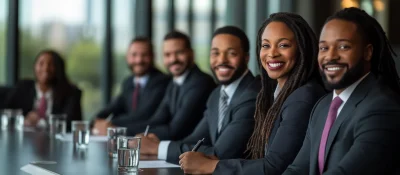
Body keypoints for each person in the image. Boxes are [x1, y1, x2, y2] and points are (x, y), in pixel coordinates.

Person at [178, 12, 327, 174]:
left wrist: (210, 166)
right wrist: (217, 162)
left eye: (283, 45)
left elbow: (274, 167)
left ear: (302, 48)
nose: (272, 53)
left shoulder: (302, 97)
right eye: (266, 45)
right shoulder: (276, 93)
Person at [283, 8, 400, 175]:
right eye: (323, 48)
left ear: (367, 52)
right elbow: (297, 169)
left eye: (343, 47)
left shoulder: (382, 108)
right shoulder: (322, 106)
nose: (331, 56)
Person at [137, 26, 260, 164]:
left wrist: (158, 148)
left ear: (246, 57)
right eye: (215, 53)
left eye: (231, 53)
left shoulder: (252, 95)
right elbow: (194, 141)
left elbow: (220, 154)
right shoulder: (216, 95)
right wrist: (158, 147)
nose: (222, 60)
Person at [126, 31, 216, 140]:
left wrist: (132, 134)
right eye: (167, 55)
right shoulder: (174, 82)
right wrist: (121, 130)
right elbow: (157, 120)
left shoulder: (201, 83)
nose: (173, 59)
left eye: (179, 52)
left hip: (193, 152)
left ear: (191, 53)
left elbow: (175, 131)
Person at [92, 37, 170, 135]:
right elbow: (114, 106)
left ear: (153, 56)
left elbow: (143, 115)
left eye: (144, 55)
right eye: (134, 55)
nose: (139, 60)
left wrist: (110, 124)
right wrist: (96, 120)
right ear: (127, 57)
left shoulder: (162, 82)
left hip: (146, 137)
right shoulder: (128, 82)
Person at [5, 50, 82, 131]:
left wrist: (41, 122)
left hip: (55, 141)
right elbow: (6, 113)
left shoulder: (71, 93)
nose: (46, 68)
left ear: (59, 69)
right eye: (41, 63)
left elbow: (72, 124)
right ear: (35, 66)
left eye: (51, 64)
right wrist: (23, 120)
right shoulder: (23, 88)